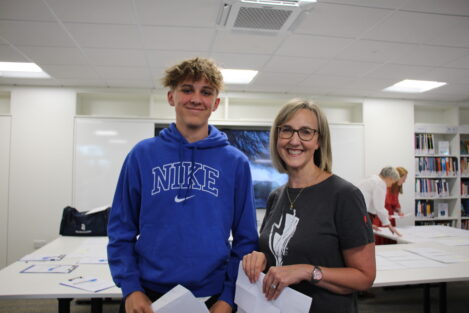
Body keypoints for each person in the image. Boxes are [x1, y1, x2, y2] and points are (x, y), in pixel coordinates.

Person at [107, 57, 259, 313]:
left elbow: (246, 240)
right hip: (147, 295)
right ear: (171, 97)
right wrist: (131, 288)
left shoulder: (236, 162)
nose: (196, 98)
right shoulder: (141, 155)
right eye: (187, 89)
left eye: (206, 92)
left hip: (213, 297)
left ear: (215, 103)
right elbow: (121, 230)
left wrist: (228, 297)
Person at [242, 99, 376, 313]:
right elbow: (281, 255)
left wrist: (307, 271)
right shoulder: (276, 196)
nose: (295, 140)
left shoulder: (344, 195)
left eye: (305, 132)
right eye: (287, 130)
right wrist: (260, 258)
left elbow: (364, 277)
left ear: (318, 141)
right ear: (277, 137)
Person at [358, 167, 402, 243]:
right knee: (365, 242)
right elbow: (379, 207)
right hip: (364, 214)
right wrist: (389, 226)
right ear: (390, 178)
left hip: (358, 214)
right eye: (392, 182)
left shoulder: (371, 179)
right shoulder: (380, 183)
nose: (391, 185)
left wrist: (368, 225)